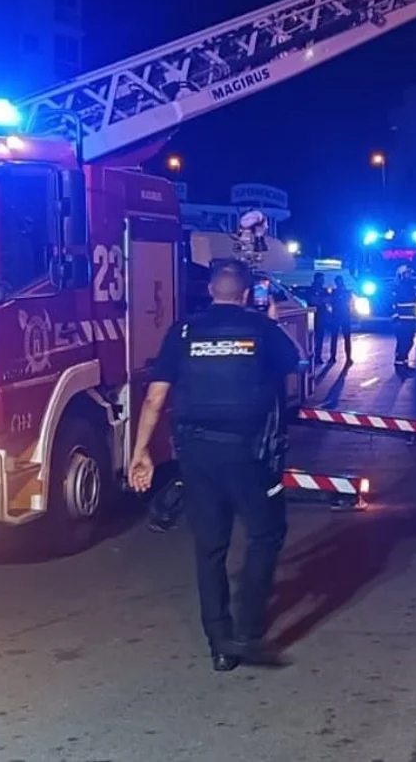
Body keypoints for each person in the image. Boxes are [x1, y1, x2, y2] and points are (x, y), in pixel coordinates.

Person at [129, 258, 298, 672]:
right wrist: (271, 321)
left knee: (210, 548)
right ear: (245, 294)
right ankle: (249, 628)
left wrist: (141, 452)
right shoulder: (262, 330)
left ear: (210, 291)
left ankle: (220, 644)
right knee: (265, 533)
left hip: (196, 455)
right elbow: (293, 367)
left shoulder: (183, 332)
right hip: (248, 455)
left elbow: (155, 397)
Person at [390, 265, 416, 373]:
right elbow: (392, 305)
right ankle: (399, 365)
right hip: (402, 321)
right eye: (407, 273)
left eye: (410, 273)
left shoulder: (412, 287)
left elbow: (415, 304)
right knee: (402, 343)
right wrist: (396, 319)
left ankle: (405, 363)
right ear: (401, 275)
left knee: (409, 342)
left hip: (410, 320)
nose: (409, 275)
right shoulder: (398, 287)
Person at [329, 274, 354, 364]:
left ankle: (347, 357)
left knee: (343, 337)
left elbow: (346, 301)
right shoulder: (339, 292)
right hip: (340, 316)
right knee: (337, 337)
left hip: (341, 316)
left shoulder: (343, 292)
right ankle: (335, 357)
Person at [306, 272, 330, 363]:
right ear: (316, 279)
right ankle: (310, 356)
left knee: (320, 337)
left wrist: (321, 301)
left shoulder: (323, 290)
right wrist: (320, 301)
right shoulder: (311, 289)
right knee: (311, 337)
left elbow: (328, 300)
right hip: (312, 316)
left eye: (323, 279)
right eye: (321, 279)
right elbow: (312, 300)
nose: (322, 281)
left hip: (321, 317)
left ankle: (318, 356)